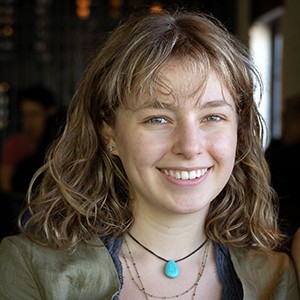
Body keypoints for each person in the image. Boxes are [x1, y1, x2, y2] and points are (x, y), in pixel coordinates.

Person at [0, 8, 299, 300]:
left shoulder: (276, 277)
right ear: (110, 134)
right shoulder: (31, 268)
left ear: (239, 130)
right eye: (158, 119)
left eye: (213, 117)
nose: (190, 146)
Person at [0, 85, 57, 193]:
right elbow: (6, 188)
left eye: (34, 114)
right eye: (24, 115)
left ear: (50, 113)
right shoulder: (15, 145)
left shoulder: (61, 144)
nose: (28, 122)